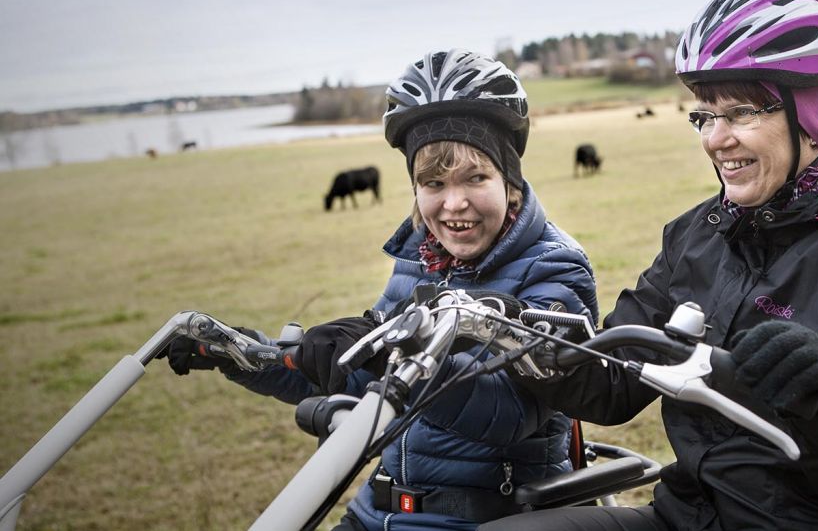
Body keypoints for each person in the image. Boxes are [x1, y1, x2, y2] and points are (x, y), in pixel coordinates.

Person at [481, 0, 818, 531]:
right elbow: (609, 385)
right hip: (686, 516)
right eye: (703, 116)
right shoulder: (697, 235)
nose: (715, 140)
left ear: (812, 114)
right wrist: (511, 332)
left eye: (741, 112)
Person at [159, 48, 599, 531]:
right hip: (377, 511)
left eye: (475, 177)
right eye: (432, 182)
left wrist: (392, 348)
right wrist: (244, 354)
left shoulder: (554, 267)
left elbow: (512, 412)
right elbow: (354, 375)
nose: (454, 203)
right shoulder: (421, 258)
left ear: (509, 177)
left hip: (486, 519)